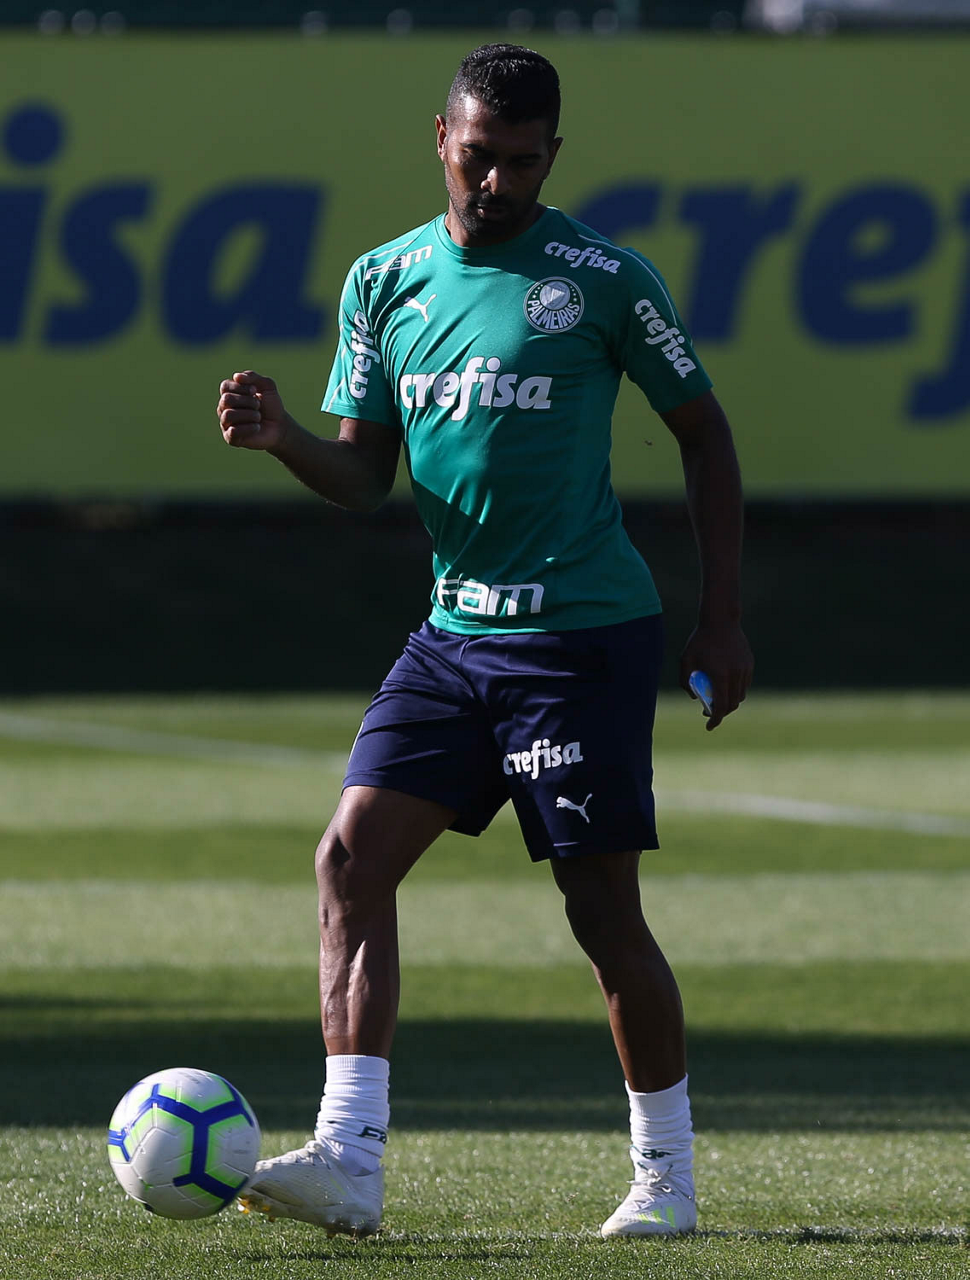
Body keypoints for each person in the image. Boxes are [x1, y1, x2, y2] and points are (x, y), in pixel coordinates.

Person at [216, 43, 753, 1240]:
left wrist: (720, 613)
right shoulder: (383, 279)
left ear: (552, 155)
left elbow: (704, 435)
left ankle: (665, 1176)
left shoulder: (601, 280)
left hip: (580, 637)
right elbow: (364, 474)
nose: (497, 181)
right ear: (440, 139)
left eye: (521, 160)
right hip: (454, 635)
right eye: (478, 155)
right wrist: (286, 438)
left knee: (598, 907)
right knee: (349, 860)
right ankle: (349, 1157)